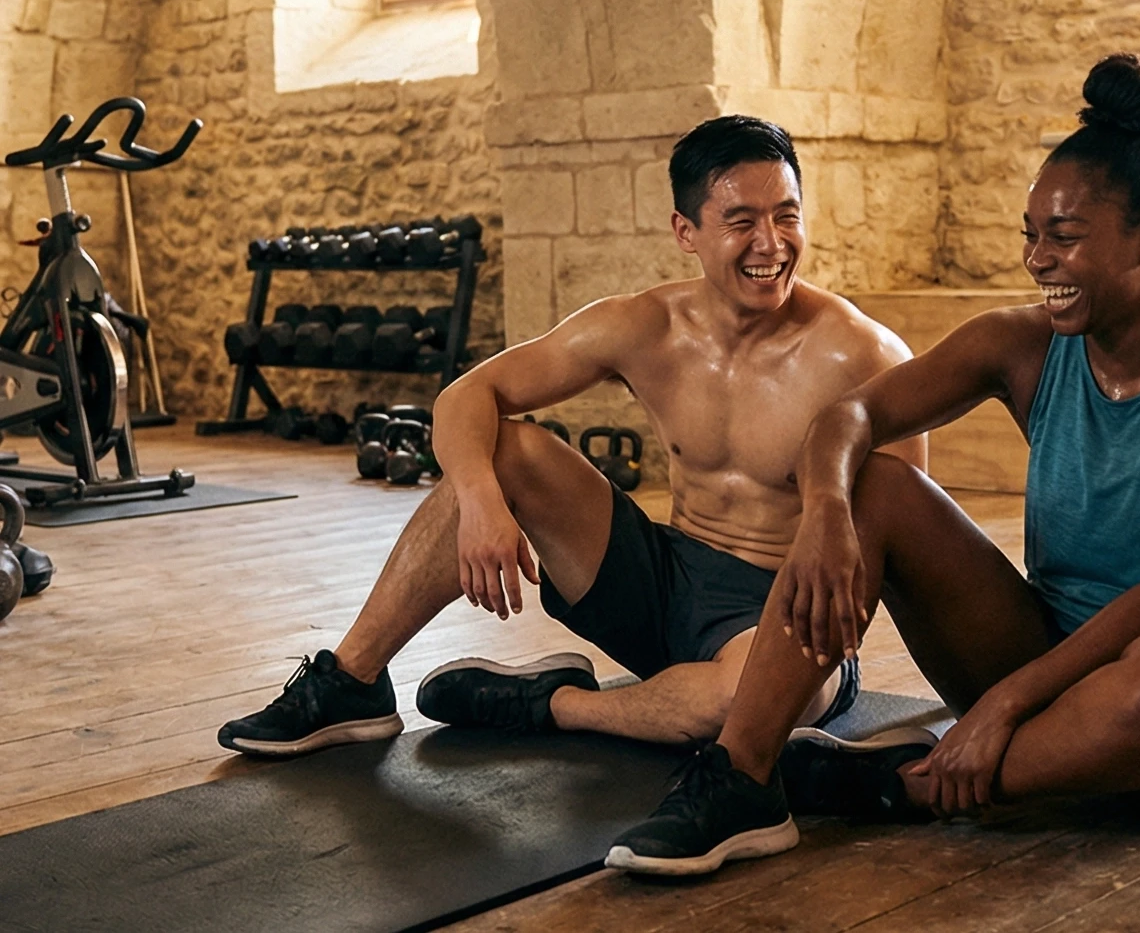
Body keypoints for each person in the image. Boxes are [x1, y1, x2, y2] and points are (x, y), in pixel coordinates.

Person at [607, 55, 1140, 875]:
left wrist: (1003, 705)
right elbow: (849, 415)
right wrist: (826, 512)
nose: (1038, 260)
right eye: (1030, 235)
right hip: (1039, 653)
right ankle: (741, 779)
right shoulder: (1023, 343)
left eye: (1064, 238)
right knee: (877, 483)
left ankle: (906, 785)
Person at [218, 115, 925, 757]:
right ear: (687, 232)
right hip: (662, 580)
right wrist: (480, 502)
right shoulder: (646, 327)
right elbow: (468, 394)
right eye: (741, 221)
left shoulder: (864, 356)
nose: (770, 244)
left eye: (786, 216)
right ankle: (352, 682)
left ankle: (552, 705)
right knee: (504, 448)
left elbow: (900, 537)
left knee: (743, 704)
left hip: (778, 613)